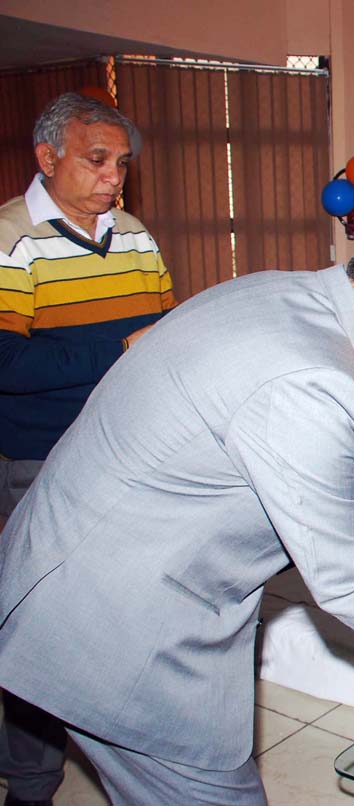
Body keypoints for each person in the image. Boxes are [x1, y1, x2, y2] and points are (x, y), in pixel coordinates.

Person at [0, 209, 354, 805]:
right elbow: (343, 580)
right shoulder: (314, 383)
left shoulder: (276, 290)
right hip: (116, 625)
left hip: (74, 561)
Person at [0, 91, 176, 806]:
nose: (114, 177)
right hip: (46, 464)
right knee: (40, 638)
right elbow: (7, 369)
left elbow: (161, 339)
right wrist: (116, 349)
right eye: (97, 160)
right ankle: (33, 784)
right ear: (47, 158)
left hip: (130, 459)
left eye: (122, 163)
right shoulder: (13, 238)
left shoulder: (134, 234)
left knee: (124, 625)